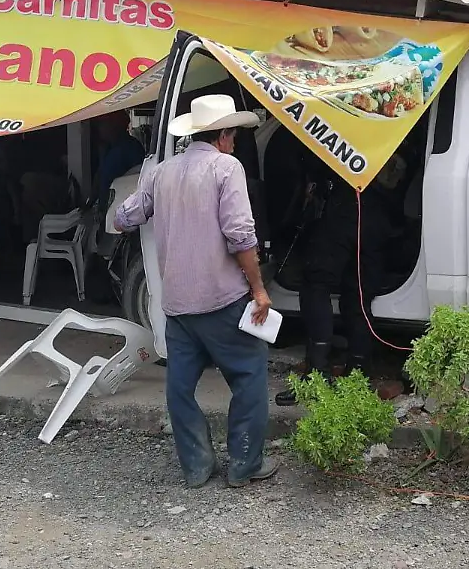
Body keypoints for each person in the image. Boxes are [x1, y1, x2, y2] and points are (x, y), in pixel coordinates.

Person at [114, 95, 277, 489]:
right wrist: (258, 290)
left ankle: (196, 466)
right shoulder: (226, 168)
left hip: (178, 306)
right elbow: (240, 235)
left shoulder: (161, 172)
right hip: (222, 300)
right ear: (223, 135)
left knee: (180, 388)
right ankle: (243, 464)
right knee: (250, 377)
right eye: (233, 134)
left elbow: (124, 217)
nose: (235, 142)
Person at [274, 146, 398, 407]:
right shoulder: (395, 121)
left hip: (342, 208)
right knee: (359, 295)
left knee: (316, 284)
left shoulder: (342, 115)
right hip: (379, 214)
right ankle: (358, 375)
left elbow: (317, 161)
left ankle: (317, 373)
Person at [95, 112, 145, 214]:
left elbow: (138, 178)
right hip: (107, 208)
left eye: (103, 124)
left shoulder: (131, 148)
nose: (100, 128)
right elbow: (100, 176)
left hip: (124, 210)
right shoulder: (107, 149)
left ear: (114, 125)